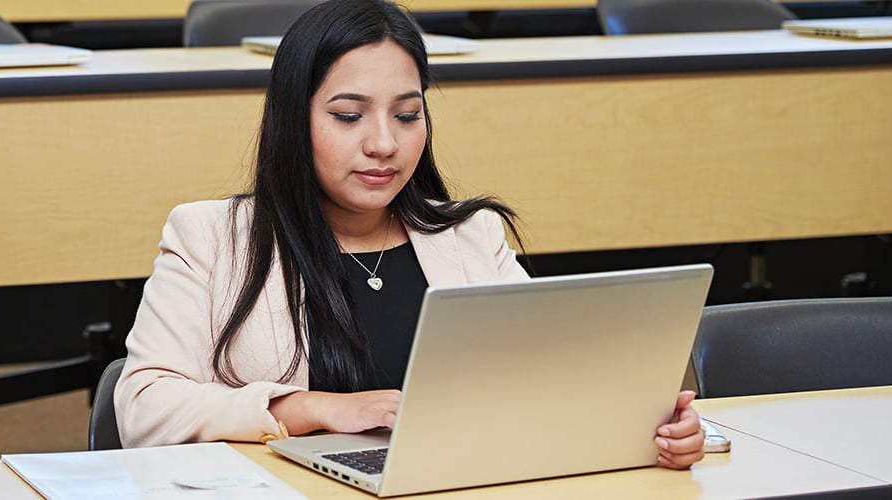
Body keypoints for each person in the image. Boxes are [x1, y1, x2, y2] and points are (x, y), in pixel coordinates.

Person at [114, 0, 705, 470]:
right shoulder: (211, 237)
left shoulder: (471, 236)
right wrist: (311, 409)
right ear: (294, 120)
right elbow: (142, 408)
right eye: (348, 116)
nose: (383, 144)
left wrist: (646, 426)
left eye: (406, 114)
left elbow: (553, 379)